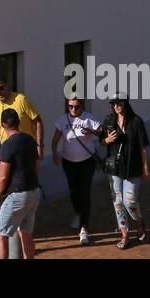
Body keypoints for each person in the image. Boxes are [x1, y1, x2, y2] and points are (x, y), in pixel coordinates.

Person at [0, 107, 41, 259]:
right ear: (18, 122)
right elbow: (37, 164)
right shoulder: (30, 140)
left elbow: (3, 176)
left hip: (17, 195)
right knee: (26, 234)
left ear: (3, 125)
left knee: (0, 235)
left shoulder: (8, 145)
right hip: (34, 192)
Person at [101, 94, 150, 250]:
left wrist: (145, 166)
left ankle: (140, 222)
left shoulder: (136, 122)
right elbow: (101, 140)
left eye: (118, 103)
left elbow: (142, 147)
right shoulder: (109, 120)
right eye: (113, 104)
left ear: (125, 103)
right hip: (114, 168)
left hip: (132, 167)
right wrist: (107, 140)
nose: (116, 106)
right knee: (118, 202)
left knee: (129, 201)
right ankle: (125, 235)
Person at [51, 96, 101, 246]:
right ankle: (77, 212)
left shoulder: (88, 118)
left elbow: (102, 133)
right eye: (70, 106)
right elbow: (55, 140)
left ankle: (84, 228)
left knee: (85, 192)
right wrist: (54, 153)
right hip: (69, 162)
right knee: (73, 191)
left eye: (76, 107)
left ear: (82, 106)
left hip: (86, 162)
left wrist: (91, 131)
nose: (73, 109)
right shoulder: (62, 120)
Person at [0, 75, 42, 168]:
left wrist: (39, 145)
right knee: (6, 180)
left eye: (1, 88)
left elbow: (38, 122)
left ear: (7, 86)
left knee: (26, 180)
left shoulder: (21, 99)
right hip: (6, 151)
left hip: (26, 149)